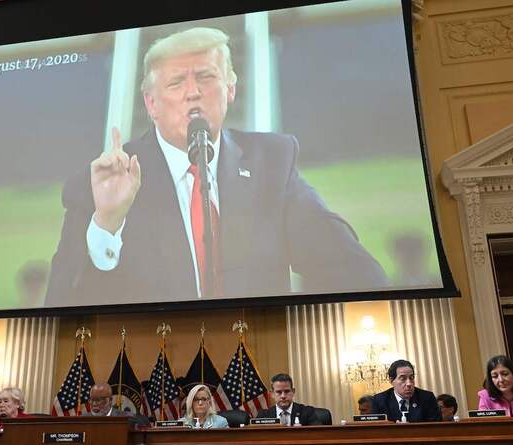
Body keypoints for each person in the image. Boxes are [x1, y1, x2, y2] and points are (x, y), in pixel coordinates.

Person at [45, 27, 387, 307]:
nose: (193, 92)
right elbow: (64, 301)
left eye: (206, 77)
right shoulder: (102, 182)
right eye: (176, 83)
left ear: (230, 90)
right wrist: (107, 222)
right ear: (151, 103)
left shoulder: (272, 161)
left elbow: (344, 262)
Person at [371, 359, 441, 422]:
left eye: (411, 378)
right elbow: (375, 430)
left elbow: (435, 428)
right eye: (403, 379)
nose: (409, 383)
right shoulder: (379, 401)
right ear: (391, 380)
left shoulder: (427, 398)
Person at [256, 373, 330, 425]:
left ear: (293, 391)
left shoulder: (307, 412)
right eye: (279, 392)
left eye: (287, 391)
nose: (283, 396)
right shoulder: (263, 415)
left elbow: (317, 435)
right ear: (272, 394)